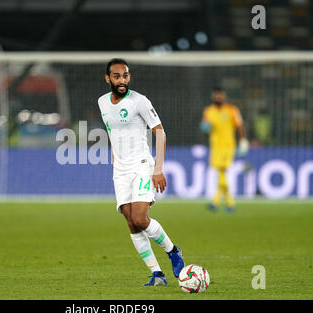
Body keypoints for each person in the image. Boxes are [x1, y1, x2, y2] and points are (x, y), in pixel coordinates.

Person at [97, 58, 184, 286]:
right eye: (117, 76)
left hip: (142, 165)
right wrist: (115, 161)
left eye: (125, 75)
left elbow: (160, 132)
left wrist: (158, 169)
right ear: (108, 79)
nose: (122, 80)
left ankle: (173, 250)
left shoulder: (140, 101)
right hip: (120, 169)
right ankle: (157, 274)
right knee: (130, 221)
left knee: (140, 218)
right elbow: (113, 133)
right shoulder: (102, 102)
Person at [200, 88, 249, 212]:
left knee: (222, 171)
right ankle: (228, 203)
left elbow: (239, 126)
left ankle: (217, 202)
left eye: (220, 96)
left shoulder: (232, 110)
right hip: (215, 146)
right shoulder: (208, 111)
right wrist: (205, 127)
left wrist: (243, 140)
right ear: (213, 97)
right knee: (221, 173)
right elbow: (205, 127)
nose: (218, 98)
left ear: (224, 96)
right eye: (216, 96)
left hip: (228, 145)